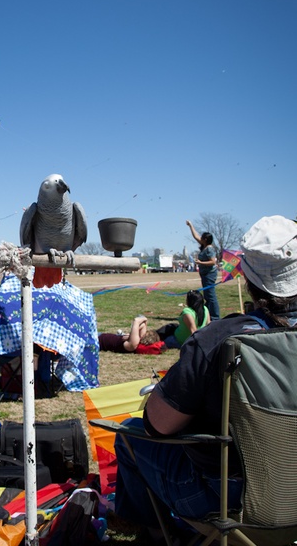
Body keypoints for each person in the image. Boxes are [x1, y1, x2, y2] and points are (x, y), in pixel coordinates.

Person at [113, 215, 297, 542]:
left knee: (130, 434)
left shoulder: (219, 340)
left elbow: (157, 424)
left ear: (246, 276)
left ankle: (156, 534)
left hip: (230, 502)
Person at [186, 219, 220, 319]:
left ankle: (215, 317)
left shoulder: (209, 248)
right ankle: (208, 315)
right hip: (205, 274)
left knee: (211, 296)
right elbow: (195, 236)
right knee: (207, 296)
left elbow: (213, 261)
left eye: (202, 237)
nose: (200, 238)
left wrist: (200, 263)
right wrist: (190, 225)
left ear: (205, 239)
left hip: (210, 274)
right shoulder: (204, 246)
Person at [98, 315, 166, 354]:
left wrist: (144, 318)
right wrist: (131, 335)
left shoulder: (133, 344)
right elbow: (142, 325)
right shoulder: (136, 341)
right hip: (99, 337)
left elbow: (136, 321)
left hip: (96, 340)